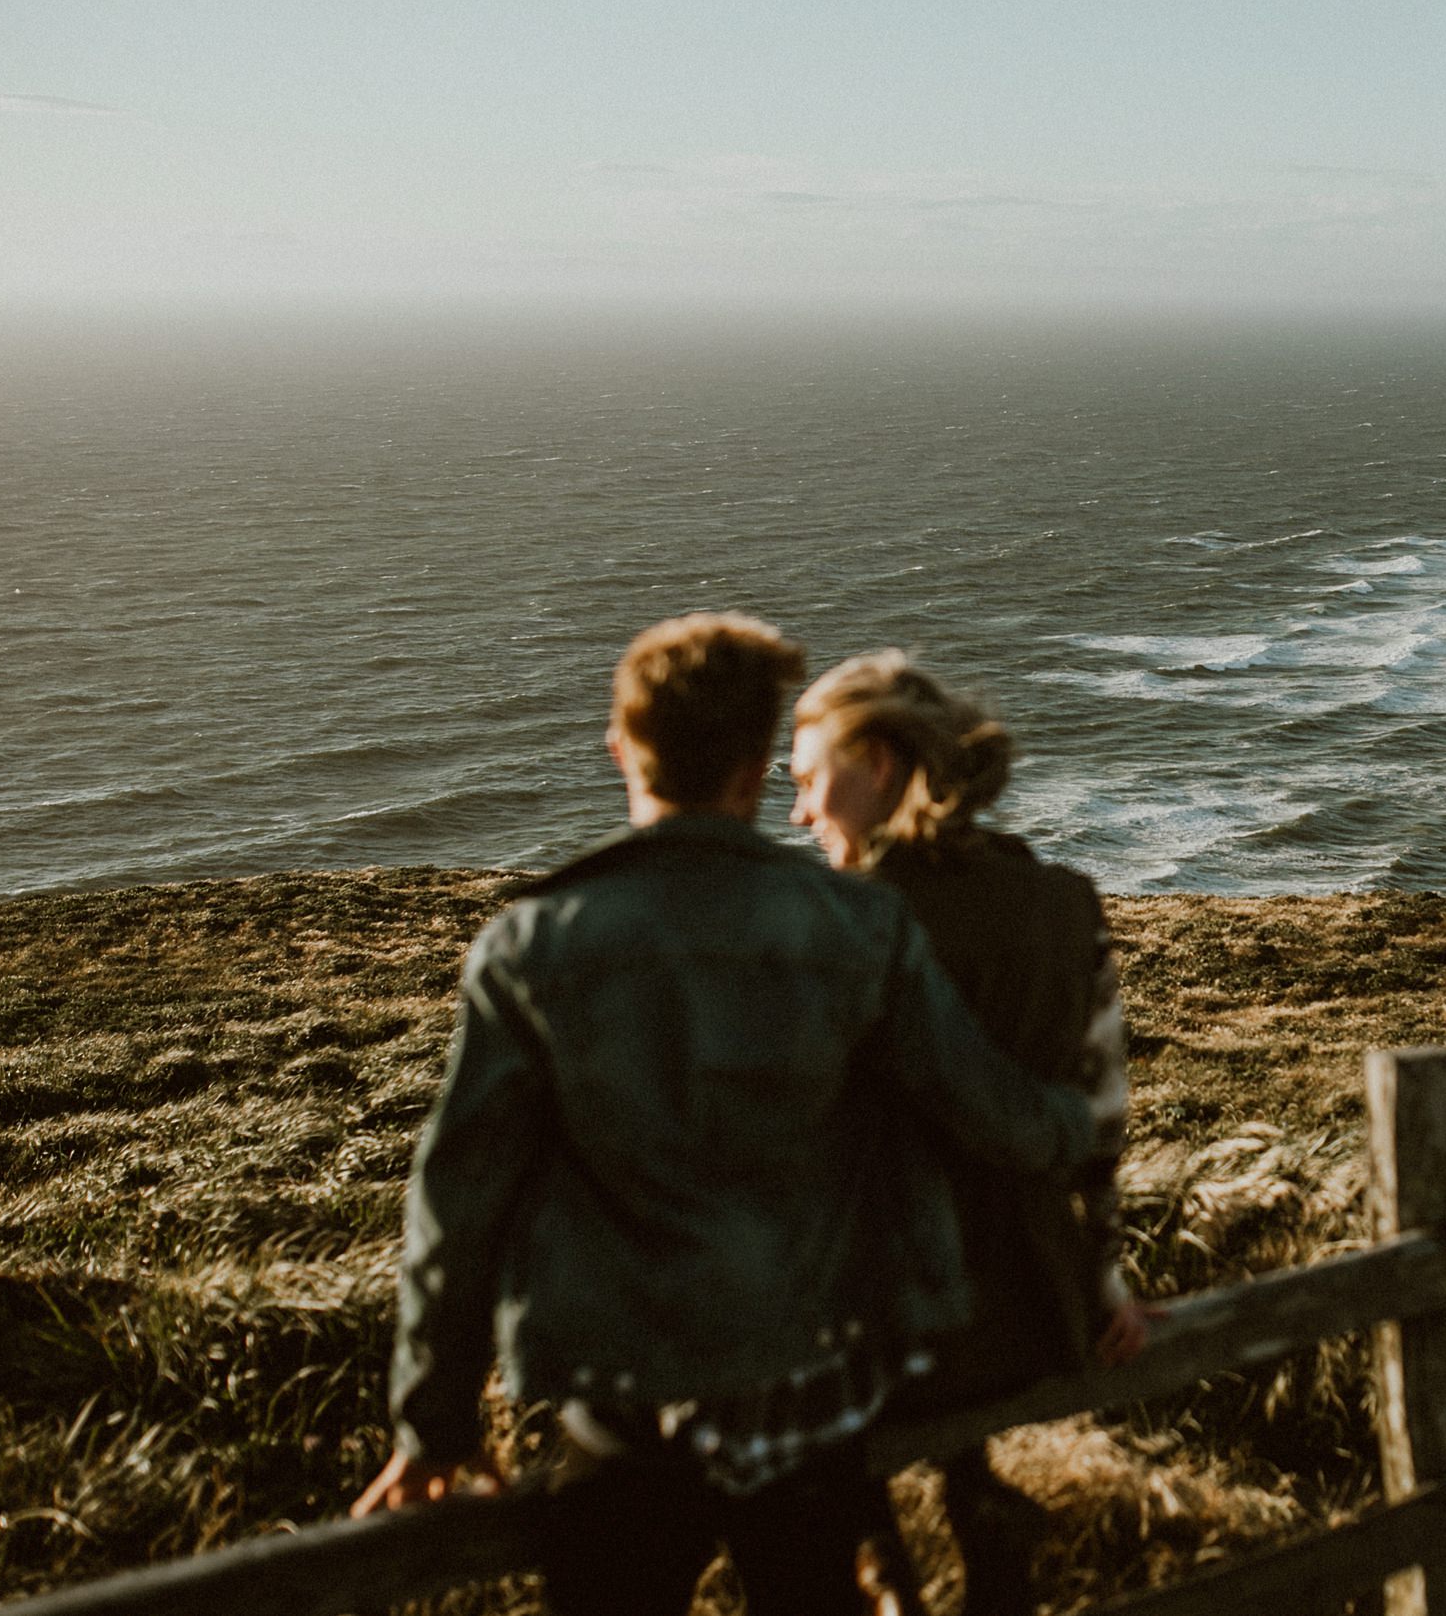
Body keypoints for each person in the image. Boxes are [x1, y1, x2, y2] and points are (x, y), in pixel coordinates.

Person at [352, 613, 1115, 1616]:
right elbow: (988, 1110)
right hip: (809, 1404)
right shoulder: (858, 925)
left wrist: (433, 1422)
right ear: (757, 766)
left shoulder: (531, 944)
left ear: (623, 748)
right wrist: (1084, 1128)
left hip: (625, 1408)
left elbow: (458, 1205)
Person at [789, 651, 1143, 1616]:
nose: (798, 812)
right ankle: (969, 1501)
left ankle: (882, 1561)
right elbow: (1101, 1111)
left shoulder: (844, 925)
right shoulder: (1066, 899)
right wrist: (1102, 1278)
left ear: (883, 763)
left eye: (810, 780)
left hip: (897, 1332)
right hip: (1042, 1305)